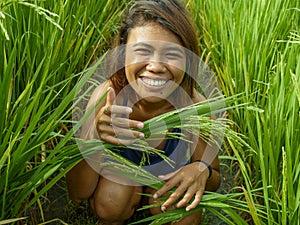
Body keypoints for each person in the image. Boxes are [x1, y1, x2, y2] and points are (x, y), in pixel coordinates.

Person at [66, 0, 221, 224]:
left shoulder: (194, 108)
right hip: (118, 184)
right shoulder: (106, 99)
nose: (156, 66)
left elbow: (215, 178)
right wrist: (95, 139)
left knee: (184, 214)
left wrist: (201, 171)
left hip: (167, 184)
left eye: (172, 54)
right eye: (142, 51)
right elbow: (77, 193)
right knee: (112, 200)